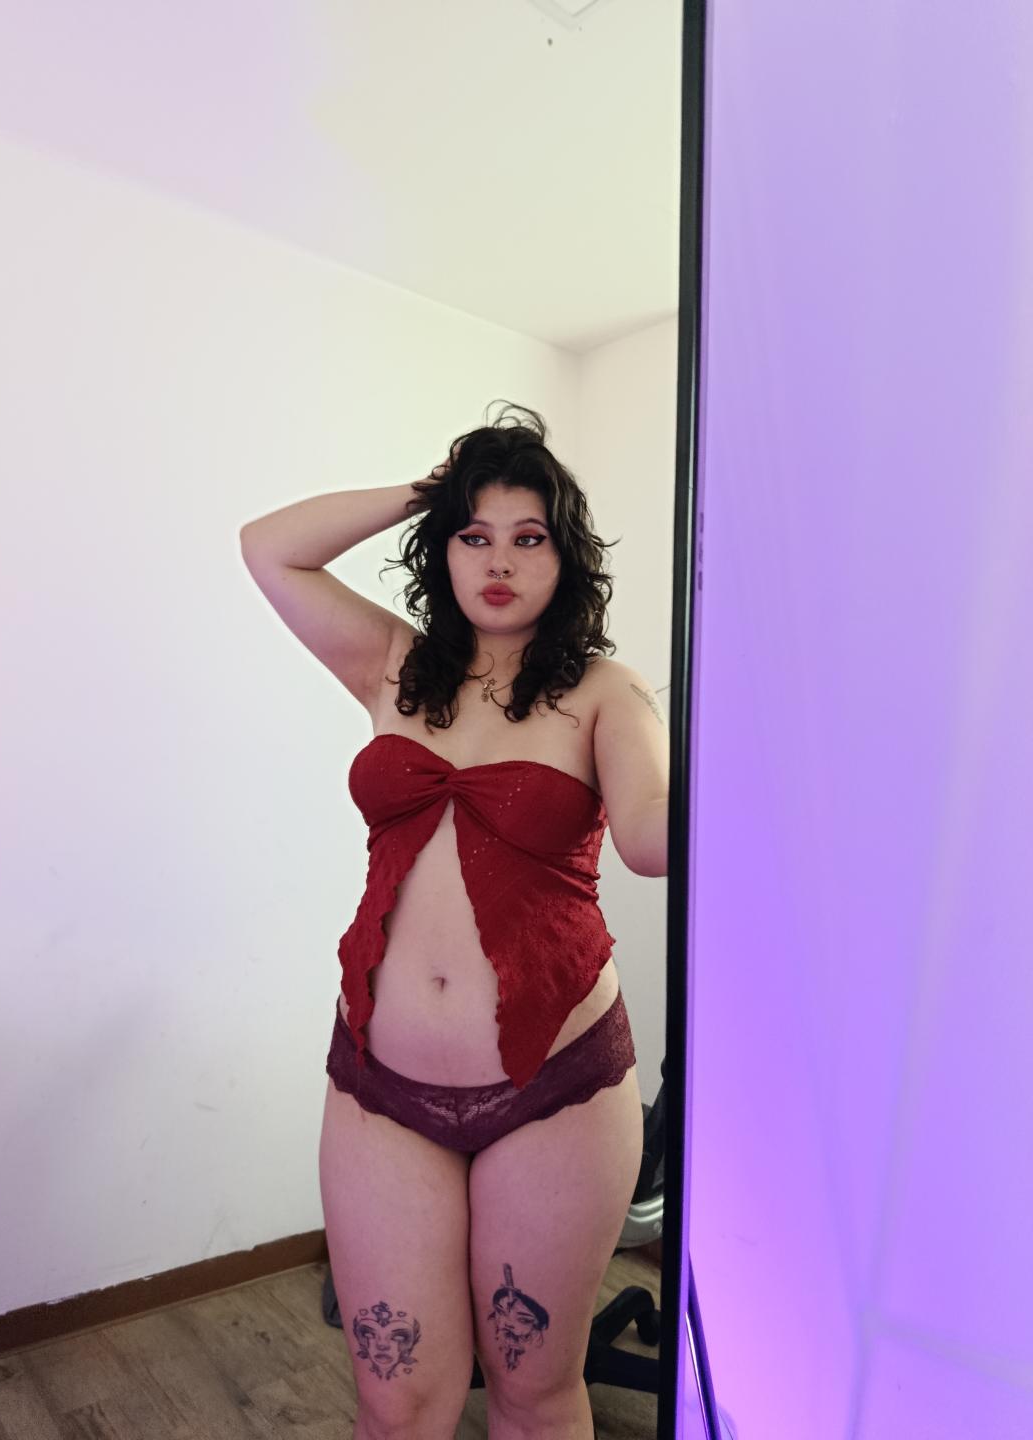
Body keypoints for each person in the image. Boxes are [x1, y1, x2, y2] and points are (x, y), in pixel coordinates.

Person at [239, 401, 669, 1440]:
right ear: (443, 548)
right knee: (397, 1404)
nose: (500, 561)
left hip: (555, 1092)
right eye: (474, 536)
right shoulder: (396, 665)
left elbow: (653, 837)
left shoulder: (604, 691)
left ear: (567, 558)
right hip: (382, 1088)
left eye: (530, 537)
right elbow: (269, 549)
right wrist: (429, 491)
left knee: (534, 1397)